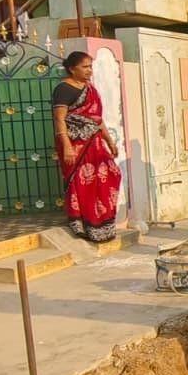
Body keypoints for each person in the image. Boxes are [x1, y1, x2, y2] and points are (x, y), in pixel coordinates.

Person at [51, 51, 122, 243]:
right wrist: (66, 146)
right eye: (85, 67)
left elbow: (97, 120)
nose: (89, 71)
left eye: (90, 66)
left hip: (95, 143)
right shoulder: (63, 89)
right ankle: (83, 223)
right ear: (72, 69)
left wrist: (109, 141)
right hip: (75, 144)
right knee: (82, 182)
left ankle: (102, 223)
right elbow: (59, 120)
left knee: (112, 174)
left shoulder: (90, 89)